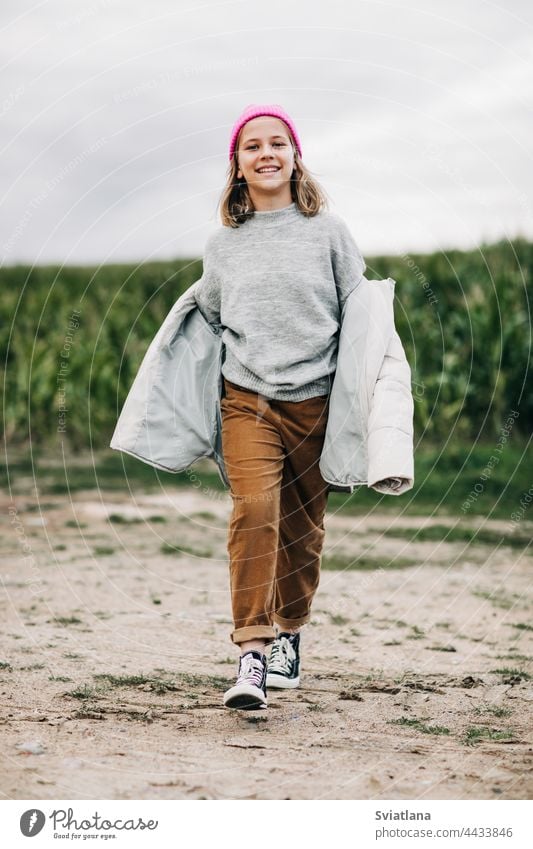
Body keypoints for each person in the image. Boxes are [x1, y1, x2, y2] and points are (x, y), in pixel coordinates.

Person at [192, 103, 369, 711]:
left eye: (277, 143)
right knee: (255, 510)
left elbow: (361, 317)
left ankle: (290, 629)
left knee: (302, 532)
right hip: (248, 401)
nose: (265, 154)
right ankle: (252, 655)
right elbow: (213, 317)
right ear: (237, 167)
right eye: (251, 147)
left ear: (296, 156)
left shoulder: (329, 232)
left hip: (317, 404)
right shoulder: (223, 244)